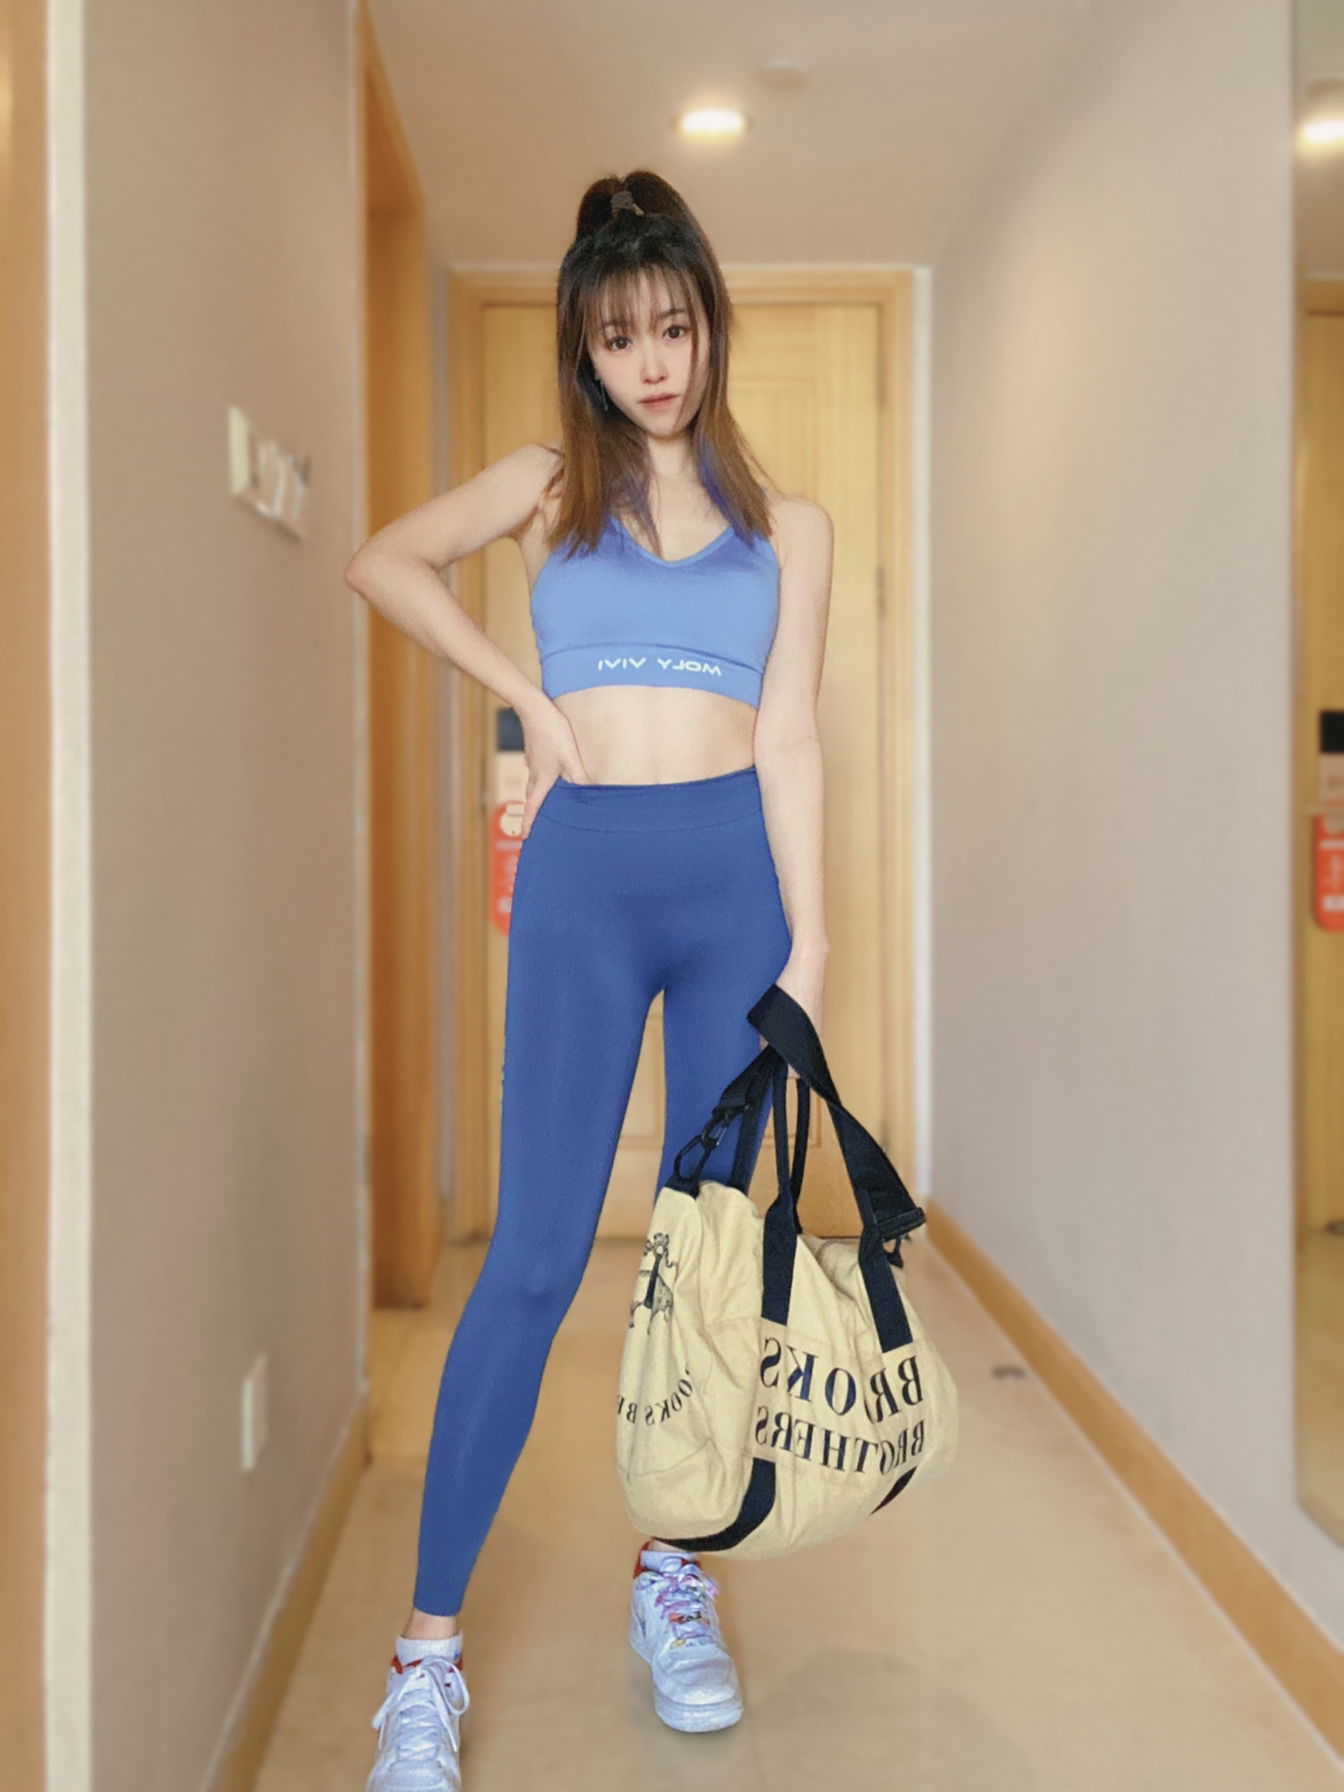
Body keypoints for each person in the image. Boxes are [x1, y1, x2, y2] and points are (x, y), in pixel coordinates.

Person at [345, 169, 833, 1792]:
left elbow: (792, 738)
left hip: (735, 894)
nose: (652, 363)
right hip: (585, 886)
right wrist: (526, 702)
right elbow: (384, 563)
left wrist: (814, 944)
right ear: (586, 347)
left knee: (705, 1263)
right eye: (620, 337)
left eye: (673, 327)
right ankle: (425, 1661)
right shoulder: (547, 486)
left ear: (709, 326)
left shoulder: (791, 530)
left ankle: (675, 1575)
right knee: (537, 1259)